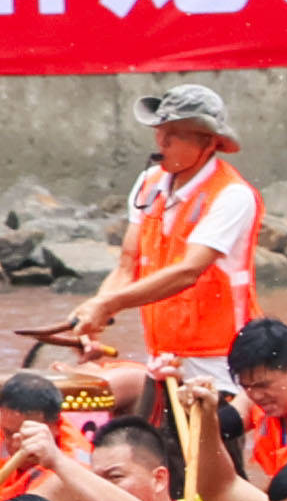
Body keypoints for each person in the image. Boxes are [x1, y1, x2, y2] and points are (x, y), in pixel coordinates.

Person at [78, 82, 261, 369]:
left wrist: (109, 305)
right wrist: (94, 315)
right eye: (160, 131)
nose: (161, 142)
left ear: (209, 142)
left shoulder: (232, 194)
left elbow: (188, 271)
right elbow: (128, 266)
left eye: (174, 135)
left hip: (222, 359)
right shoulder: (148, 183)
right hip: (162, 353)